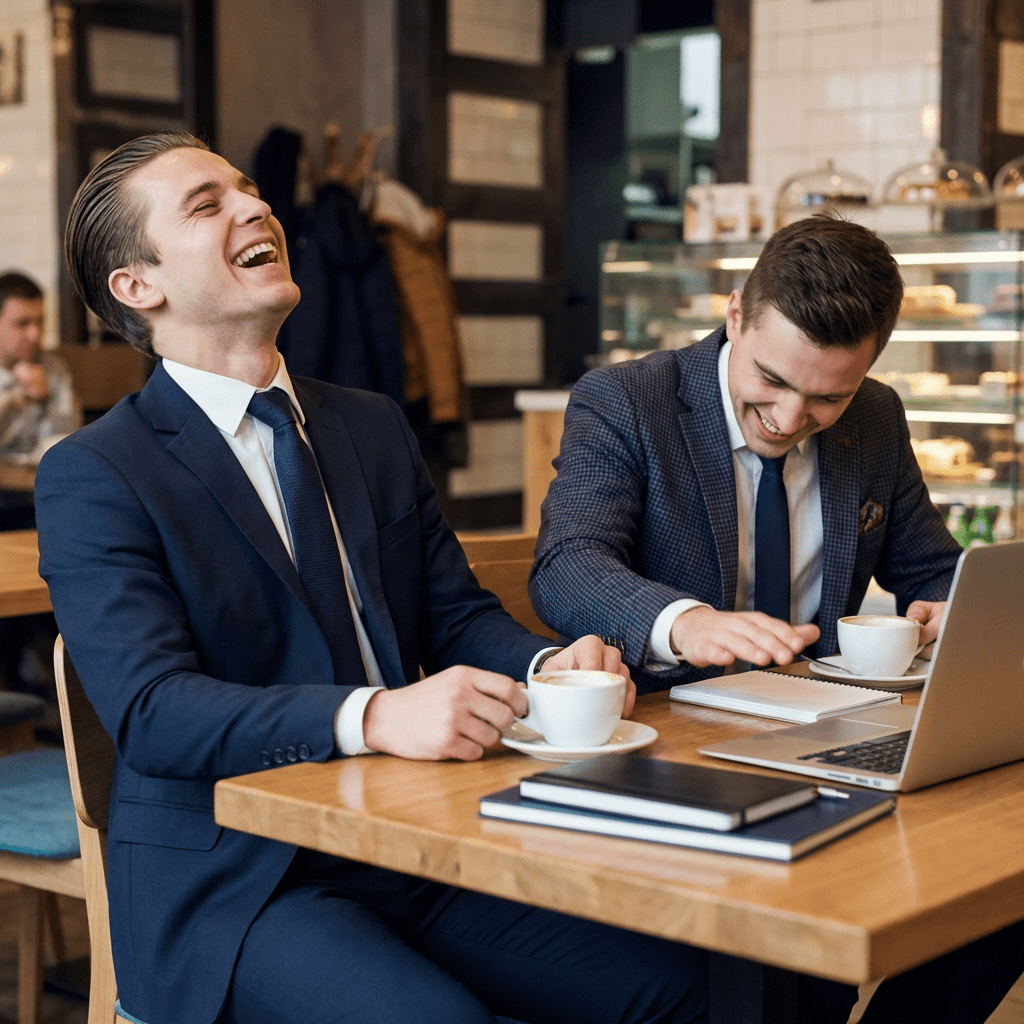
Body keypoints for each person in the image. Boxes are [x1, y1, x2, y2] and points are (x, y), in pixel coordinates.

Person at [35, 131, 709, 1024]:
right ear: (137, 286)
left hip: (411, 842)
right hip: (238, 883)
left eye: (248, 190)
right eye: (208, 204)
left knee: (694, 984)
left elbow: (453, 615)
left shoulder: (369, 424)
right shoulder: (96, 471)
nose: (255, 206)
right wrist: (378, 714)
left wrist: (549, 670)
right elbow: (154, 712)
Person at [530, 212, 1024, 1021]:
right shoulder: (626, 401)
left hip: (829, 734)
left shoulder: (876, 418)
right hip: (671, 750)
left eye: (828, 396)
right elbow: (566, 566)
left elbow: (930, 565)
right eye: (772, 381)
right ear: (735, 315)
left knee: (1000, 884)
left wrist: (950, 607)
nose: (791, 418)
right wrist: (684, 621)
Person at [0, 272, 80, 529]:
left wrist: (44, 400)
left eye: (40, 322)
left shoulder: (54, 368)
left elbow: (66, 440)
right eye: (22, 324)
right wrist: (12, 398)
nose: (35, 334)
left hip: (43, 493)